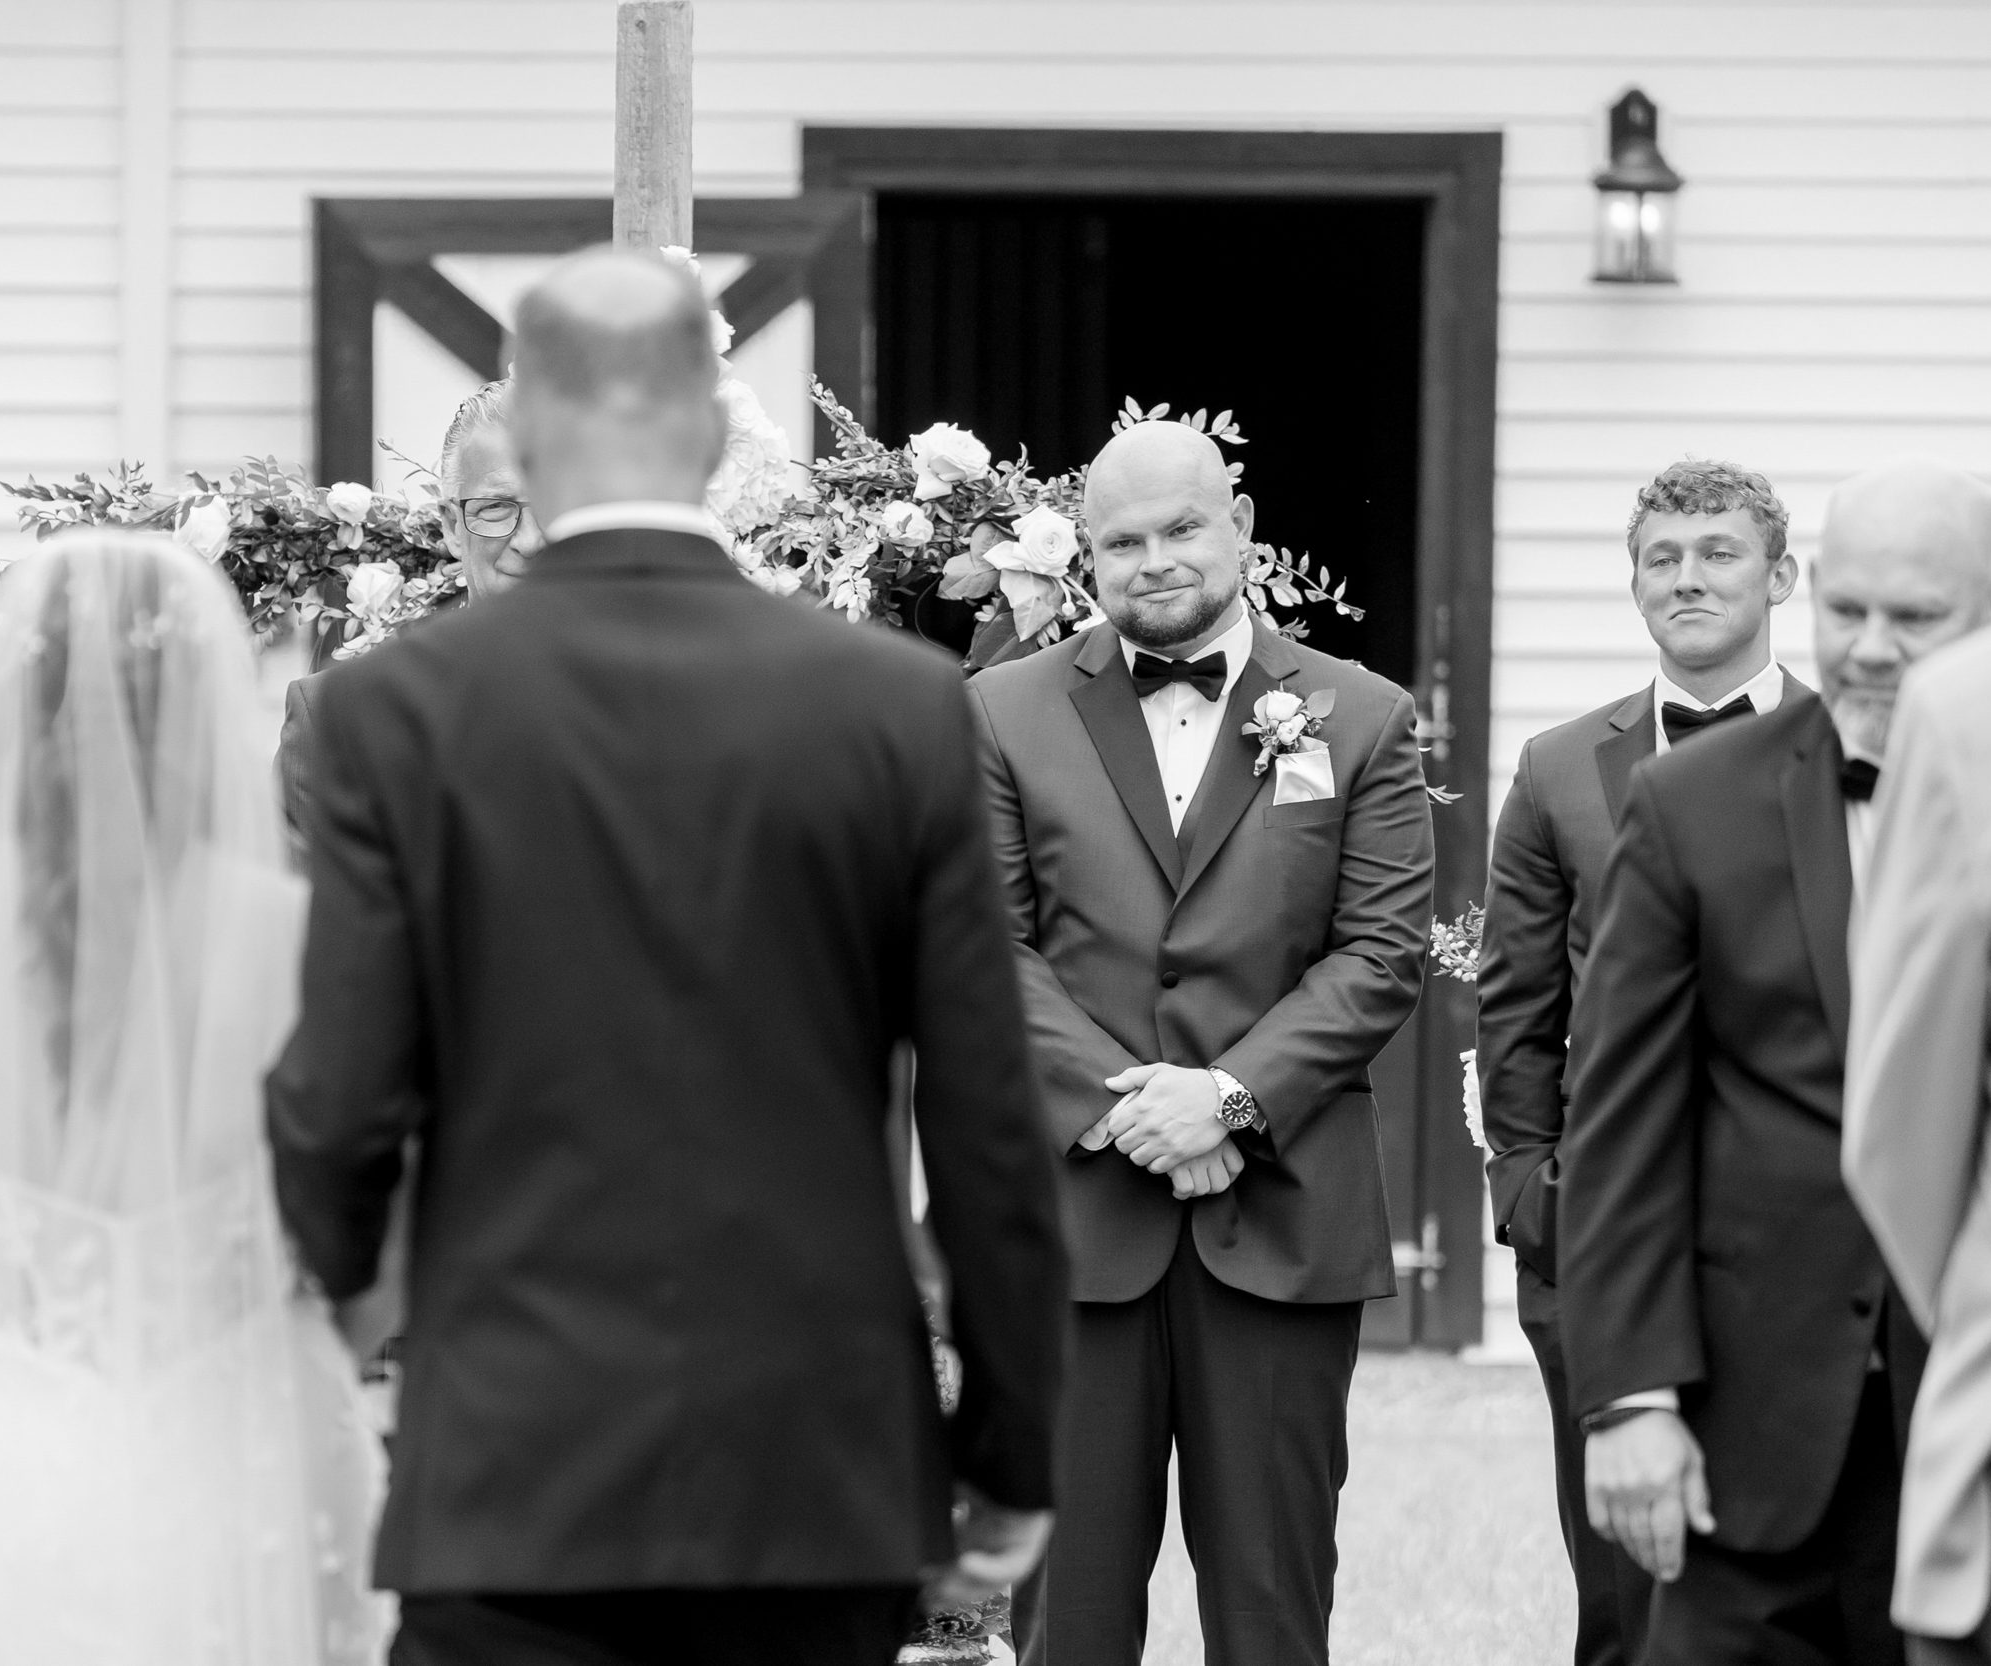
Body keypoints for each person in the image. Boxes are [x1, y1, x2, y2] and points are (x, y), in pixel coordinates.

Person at [263, 245, 1068, 1666]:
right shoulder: (895, 705)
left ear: (532, 433)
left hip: (508, 1457)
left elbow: (335, 1110)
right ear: (711, 433)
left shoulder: (393, 715)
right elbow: (985, 1123)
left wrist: (359, 1341)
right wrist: (1008, 1448)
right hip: (816, 1469)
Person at [0, 529, 387, 1666]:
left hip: (1, 1463)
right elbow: (377, 1259)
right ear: (199, 715)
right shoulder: (306, 944)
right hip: (249, 1453)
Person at [969, 419, 1435, 1666]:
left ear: (1240, 525)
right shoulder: (1001, 712)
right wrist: (1132, 1109)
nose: (1155, 560)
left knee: (1273, 1615)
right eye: (1122, 541)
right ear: (1085, 557)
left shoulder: (1362, 714)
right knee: (1066, 1624)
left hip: (1281, 1221)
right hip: (1073, 1227)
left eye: (1181, 527)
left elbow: (1380, 952)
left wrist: (1227, 1097)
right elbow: (981, 948)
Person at [1560, 457, 1991, 1664]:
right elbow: (1622, 1123)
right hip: (1750, 1423)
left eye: (1914, 617)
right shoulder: (1689, 803)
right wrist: (1630, 1396)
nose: (1869, 649)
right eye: (1846, 609)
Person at [1477, 458, 1801, 1666]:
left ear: (1780, 575)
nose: (1687, 578)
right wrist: (1531, 1196)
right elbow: (1516, 1006)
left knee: (1800, 1591)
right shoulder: (1559, 768)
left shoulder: (1853, 748)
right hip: (1601, 1239)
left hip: (1803, 1245)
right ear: (1633, 586)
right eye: (1661, 558)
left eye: (1718, 552)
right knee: (1621, 1608)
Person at [1838, 465, 1991, 1665]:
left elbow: (1894, 1128)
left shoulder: (1989, 704)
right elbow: (1900, 1132)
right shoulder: (1980, 706)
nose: (1874, 646)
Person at [277, 378, 541, 857]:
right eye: (497, 508)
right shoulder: (336, 727)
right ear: (452, 527)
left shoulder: (659, 707)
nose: (530, 540)